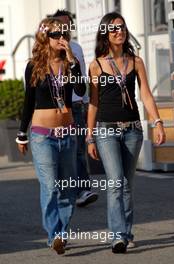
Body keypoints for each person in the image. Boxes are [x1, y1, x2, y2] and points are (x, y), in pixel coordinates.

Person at [87, 12, 166, 253]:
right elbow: (93, 103)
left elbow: (145, 94)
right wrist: (89, 136)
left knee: (127, 185)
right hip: (106, 130)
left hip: (132, 130)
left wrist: (158, 122)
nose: (119, 32)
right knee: (115, 183)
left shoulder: (136, 61)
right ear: (105, 34)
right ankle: (118, 236)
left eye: (121, 28)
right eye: (113, 29)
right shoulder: (96, 65)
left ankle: (126, 231)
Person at [16, 17, 86, 254]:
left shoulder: (70, 64)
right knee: (50, 186)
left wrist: (73, 62)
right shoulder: (34, 66)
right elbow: (28, 103)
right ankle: (54, 234)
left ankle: (62, 233)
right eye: (56, 35)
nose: (61, 39)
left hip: (67, 132)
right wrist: (21, 134)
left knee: (67, 186)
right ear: (46, 38)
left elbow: (80, 91)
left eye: (64, 34)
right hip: (42, 135)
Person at [49, 9, 98, 207]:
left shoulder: (75, 48)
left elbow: (81, 79)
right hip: (53, 109)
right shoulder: (45, 51)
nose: (63, 29)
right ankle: (63, 190)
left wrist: (86, 102)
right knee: (59, 152)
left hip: (76, 105)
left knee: (78, 149)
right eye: (59, 25)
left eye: (67, 24)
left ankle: (83, 190)